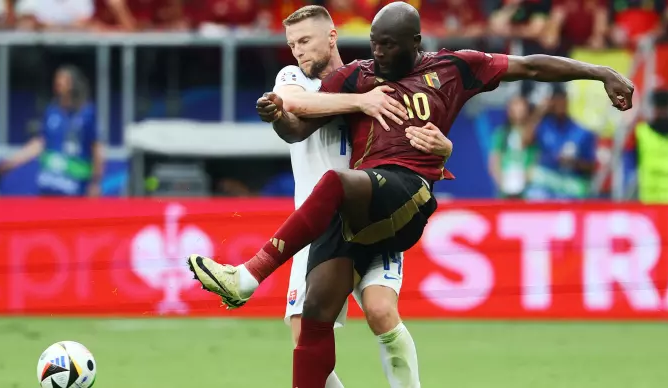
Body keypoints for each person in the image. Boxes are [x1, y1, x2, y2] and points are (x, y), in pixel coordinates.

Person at [188, 2, 634, 386]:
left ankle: (248, 275)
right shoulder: (356, 78)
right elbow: (297, 123)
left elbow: (532, 66)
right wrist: (281, 116)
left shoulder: (455, 67)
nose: (378, 53)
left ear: (415, 41)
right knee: (315, 318)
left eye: (387, 44)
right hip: (347, 212)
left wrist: (601, 72)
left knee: (355, 239)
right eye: (375, 43)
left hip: (402, 190)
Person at [261, 5, 453, 387]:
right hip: (315, 228)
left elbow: (413, 139)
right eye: (292, 44)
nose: (297, 51)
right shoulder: (293, 77)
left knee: (382, 311)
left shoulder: (372, 77)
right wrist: (360, 103)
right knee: (304, 332)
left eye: (304, 41)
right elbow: (294, 116)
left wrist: (445, 148)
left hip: (372, 215)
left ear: (332, 37)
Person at [0, 65, 102, 197]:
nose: (58, 83)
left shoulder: (87, 113)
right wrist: (10, 163)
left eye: (62, 80)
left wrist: (96, 182)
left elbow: (96, 148)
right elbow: (41, 143)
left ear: (72, 84)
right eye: (57, 79)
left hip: (76, 187)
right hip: (49, 185)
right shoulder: (51, 111)